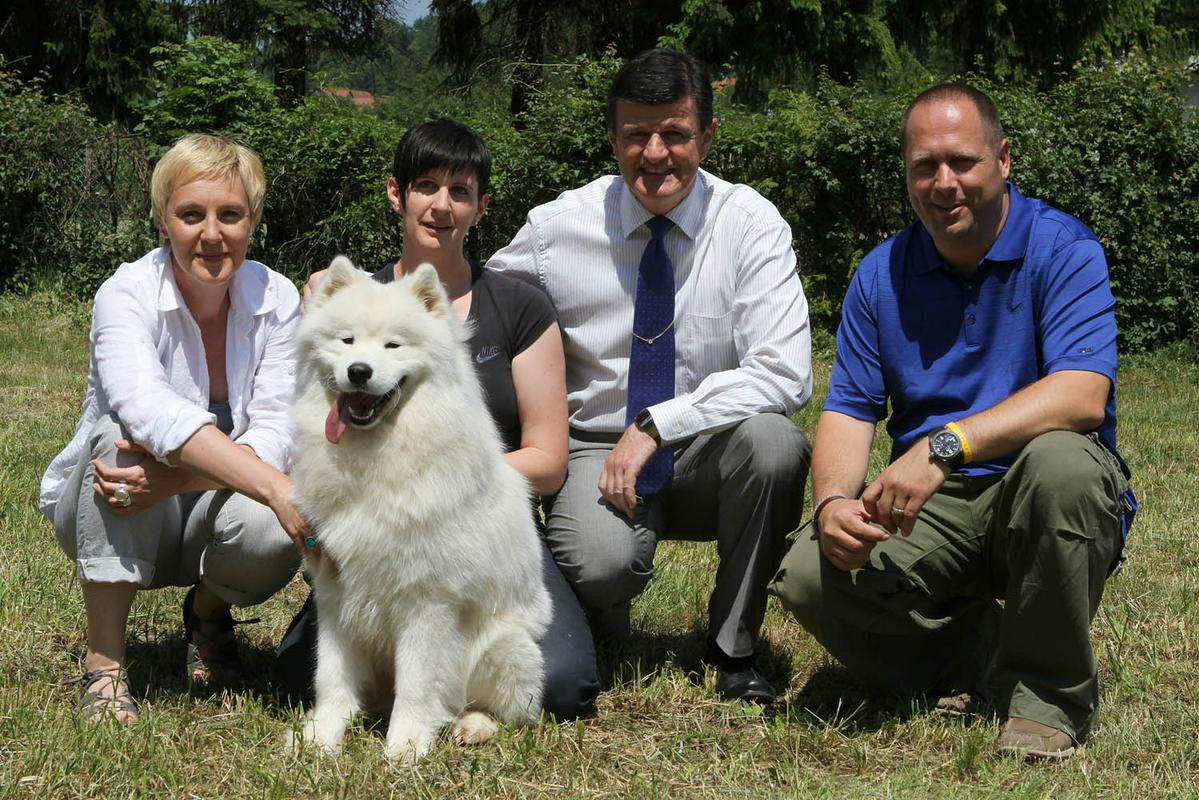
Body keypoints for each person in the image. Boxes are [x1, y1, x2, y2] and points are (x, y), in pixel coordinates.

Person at [768, 84, 1135, 760]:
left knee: (1059, 464)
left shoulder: (1063, 248)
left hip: (1046, 487)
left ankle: (1046, 698)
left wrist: (946, 445)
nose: (943, 183)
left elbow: (1082, 395)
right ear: (905, 173)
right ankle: (974, 655)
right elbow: (849, 410)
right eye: (923, 166)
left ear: (1002, 160)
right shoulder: (880, 274)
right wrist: (829, 505)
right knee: (807, 572)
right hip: (935, 507)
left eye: (962, 162)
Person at [486, 48, 813, 703]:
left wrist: (659, 424)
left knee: (776, 445)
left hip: (711, 449)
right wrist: (382, 288)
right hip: (596, 449)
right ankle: (598, 623)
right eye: (636, 135)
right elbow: (480, 305)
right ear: (612, 139)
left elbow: (784, 372)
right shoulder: (556, 229)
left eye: (674, 134)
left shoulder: (750, 224)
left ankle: (732, 646)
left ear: (708, 136)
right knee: (602, 562)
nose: (655, 153)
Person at [286, 119, 599, 720]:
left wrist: (440, 482)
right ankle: (396, 686)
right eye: (426, 185)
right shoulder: (347, 296)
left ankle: (449, 697)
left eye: (460, 191)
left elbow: (550, 460)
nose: (441, 205)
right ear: (396, 194)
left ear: (481, 207)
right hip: (360, 534)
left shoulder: (519, 306)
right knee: (289, 676)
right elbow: (309, 419)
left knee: (561, 687)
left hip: (479, 535)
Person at [40, 133, 310, 723]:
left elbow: (277, 429)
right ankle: (105, 665)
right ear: (164, 222)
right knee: (120, 440)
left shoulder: (279, 296)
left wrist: (180, 482)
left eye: (230, 215)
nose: (211, 233)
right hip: (115, 503)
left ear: (252, 222)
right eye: (191, 214)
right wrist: (265, 485)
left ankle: (208, 616)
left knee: (271, 510)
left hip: (196, 508)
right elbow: (144, 407)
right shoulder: (126, 292)